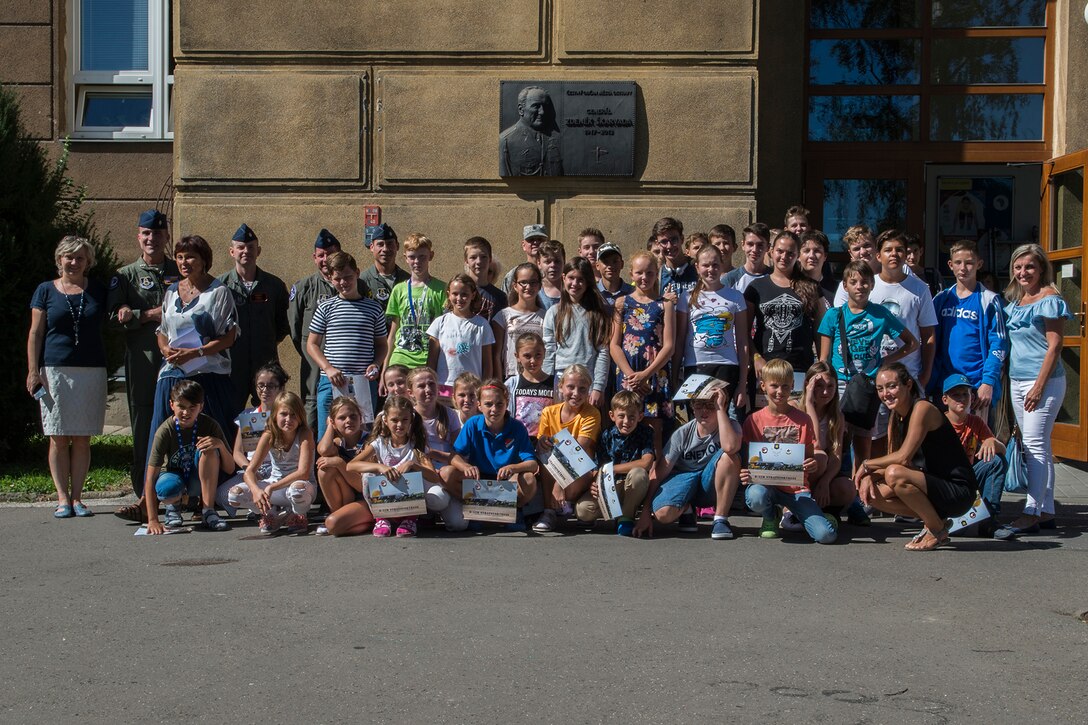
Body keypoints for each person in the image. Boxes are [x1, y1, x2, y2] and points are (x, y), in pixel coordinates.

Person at [855, 363, 980, 551]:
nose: (885, 393)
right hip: (932, 486)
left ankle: (937, 530)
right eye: (880, 389)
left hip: (958, 491)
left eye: (891, 386)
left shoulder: (923, 408)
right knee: (873, 495)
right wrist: (868, 477)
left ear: (908, 385)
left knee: (894, 474)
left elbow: (903, 458)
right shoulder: (896, 417)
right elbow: (894, 458)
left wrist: (866, 465)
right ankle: (934, 520)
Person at [835, 230, 938, 455]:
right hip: (872, 379)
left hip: (908, 374)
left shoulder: (920, 288)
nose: (894, 254)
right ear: (878, 256)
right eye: (888, 250)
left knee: (907, 439)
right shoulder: (868, 285)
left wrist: (925, 375)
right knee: (875, 439)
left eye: (899, 249)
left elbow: (928, 335)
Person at [27, 235, 109, 519]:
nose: (74, 262)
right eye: (69, 257)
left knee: (83, 437)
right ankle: (62, 498)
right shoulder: (45, 290)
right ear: (59, 259)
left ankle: (78, 498)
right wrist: (32, 371)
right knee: (58, 437)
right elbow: (36, 333)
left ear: (88, 262)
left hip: (91, 370)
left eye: (80, 258)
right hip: (54, 370)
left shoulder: (98, 289)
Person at [148, 234, 240, 483]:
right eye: (179, 257)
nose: (184, 262)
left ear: (203, 260)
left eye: (190, 256)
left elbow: (229, 337)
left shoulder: (219, 292)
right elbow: (162, 331)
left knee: (206, 437)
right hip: (173, 373)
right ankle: (152, 497)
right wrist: (165, 348)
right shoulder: (171, 292)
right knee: (162, 431)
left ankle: (207, 496)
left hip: (206, 374)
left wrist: (196, 353)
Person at [996, 244, 1071, 540]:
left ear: (1041, 269)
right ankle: (1047, 509)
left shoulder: (1050, 299)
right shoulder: (1015, 302)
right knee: (1036, 445)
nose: (1023, 272)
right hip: (1017, 380)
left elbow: (1055, 345)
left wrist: (1039, 386)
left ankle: (1031, 513)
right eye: (1018, 267)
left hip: (1044, 382)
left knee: (1035, 446)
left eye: (1029, 267)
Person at [108, 209, 179, 511]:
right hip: (143, 361)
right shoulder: (124, 276)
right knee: (143, 426)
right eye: (146, 233)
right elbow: (113, 319)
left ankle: (178, 490)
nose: (152, 239)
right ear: (138, 236)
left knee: (180, 422)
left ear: (166, 236)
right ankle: (144, 496)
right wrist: (148, 315)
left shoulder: (180, 269)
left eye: (158, 233)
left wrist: (136, 315)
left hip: (177, 360)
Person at [817, 261, 919, 467]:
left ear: (872, 285)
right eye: (853, 282)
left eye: (865, 282)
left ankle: (863, 490)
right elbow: (823, 358)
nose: (859, 287)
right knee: (837, 441)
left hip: (869, 386)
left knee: (867, 443)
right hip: (841, 385)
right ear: (845, 286)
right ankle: (840, 487)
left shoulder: (880, 314)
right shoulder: (834, 315)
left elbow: (912, 343)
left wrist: (885, 362)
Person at [741, 359, 830, 543]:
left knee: (825, 536)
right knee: (756, 496)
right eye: (774, 386)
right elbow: (749, 461)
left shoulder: (803, 419)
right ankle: (770, 515)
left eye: (785, 386)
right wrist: (745, 473)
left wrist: (811, 464)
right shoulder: (753, 420)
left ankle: (821, 519)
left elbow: (809, 457)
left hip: (796, 489)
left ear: (793, 386)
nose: (780, 392)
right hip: (766, 486)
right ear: (763, 386)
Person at [638, 387, 742, 540]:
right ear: (692, 407)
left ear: (723, 406)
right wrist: (645, 512)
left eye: (711, 405)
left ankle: (720, 519)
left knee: (729, 457)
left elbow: (731, 447)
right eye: (699, 405)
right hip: (685, 480)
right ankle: (687, 509)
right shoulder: (682, 433)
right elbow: (658, 473)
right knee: (663, 514)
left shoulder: (731, 426)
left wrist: (720, 408)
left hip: (710, 484)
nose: (704, 411)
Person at [306, 251, 388, 441]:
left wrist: (376, 364)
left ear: (357, 273)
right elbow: (312, 344)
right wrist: (328, 368)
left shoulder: (373, 308)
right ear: (330, 278)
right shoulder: (326, 307)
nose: (344, 282)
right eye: (338, 279)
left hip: (363, 383)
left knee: (364, 436)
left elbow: (382, 345)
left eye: (348, 277)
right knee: (327, 437)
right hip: (331, 381)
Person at [346, 395, 446, 538]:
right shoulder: (379, 443)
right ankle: (381, 519)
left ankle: (410, 519)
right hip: (385, 497)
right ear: (385, 420)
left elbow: (433, 476)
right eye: (394, 420)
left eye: (404, 420)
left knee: (415, 474)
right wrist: (379, 467)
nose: (400, 425)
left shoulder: (415, 445)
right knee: (368, 475)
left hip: (408, 500)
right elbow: (351, 466)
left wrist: (414, 465)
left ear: (411, 420)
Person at [143, 380, 235, 534]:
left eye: (192, 407)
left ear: (201, 406)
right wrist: (152, 520)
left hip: (198, 479)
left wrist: (220, 445)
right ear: (172, 405)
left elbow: (230, 468)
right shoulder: (165, 431)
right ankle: (173, 506)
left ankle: (208, 511)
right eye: (182, 407)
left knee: (209, 450)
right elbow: (150, 478)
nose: (186, 413)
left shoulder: (210, 425)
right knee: (167, 487)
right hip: (174, 478)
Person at [450, 379, 540, 532]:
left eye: (499, 404)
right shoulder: (472, 424)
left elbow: (532, 464)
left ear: (507, 403)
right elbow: (454, 456)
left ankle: (514, 509)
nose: (494, 409)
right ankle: (477, 508)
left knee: (529, 479)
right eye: (488, 404)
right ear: (479, 405)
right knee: (447, 474)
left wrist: (513, 467)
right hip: (478, 480)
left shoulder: (517, 427)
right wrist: (466, 466)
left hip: (505, 480)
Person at [930, 240, 1008, 416]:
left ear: (979, 264)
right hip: (945, 385)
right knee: (946, 442)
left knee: (977, 442)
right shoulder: (941, 299)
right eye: (958, 262)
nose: (963, 267)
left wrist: (988, 382)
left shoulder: (990, 300)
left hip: (976, 387)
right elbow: (931, 341)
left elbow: (999, 344)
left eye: (969, 262)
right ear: (950, 265)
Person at [288, 229, 356, 430]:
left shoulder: (353, 284)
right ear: (314, 258)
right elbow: (294, 327)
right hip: (314, 364)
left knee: (347, 408)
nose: (325, 259)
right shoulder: (303, 287)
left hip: (346, 364)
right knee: (311, 406)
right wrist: (310, 353)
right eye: (321, 255)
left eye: (330, 253)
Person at [217, 223, 289, 411]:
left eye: (251, 247)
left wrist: (265, 340)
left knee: (271, 415)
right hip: (232, 365)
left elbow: (283, 323)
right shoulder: (220, 286)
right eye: (240, 247)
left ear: (259, 251)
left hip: (265, 363)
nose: (246, 251)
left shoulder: (273, 285)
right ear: (231, 251)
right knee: (230, 416)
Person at [223, 392, 316, 535]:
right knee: (235, 496)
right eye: (283, 414)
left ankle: (298, 514)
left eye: (293, 415)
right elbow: (250, 471)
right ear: (275, 415)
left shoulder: (305, 433)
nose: (288, 419)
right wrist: (255, 490)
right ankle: (272, 511)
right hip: (276, 485)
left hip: (301, 486)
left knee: (297, 490)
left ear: (300, 416)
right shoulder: (269, 435)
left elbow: (302, 473)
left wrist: (271, 487)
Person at [609, 251, 674, 452]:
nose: (644, 277)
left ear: (657, 274)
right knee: (625, 429)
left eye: (650, 273)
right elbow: (614, 345)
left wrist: (646, 375)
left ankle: (653, 476)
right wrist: (631, 376)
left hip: (654, 375)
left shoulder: (665, 304)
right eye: (639, 273)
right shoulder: (622, 303)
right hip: (629, 374)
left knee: (654, 433)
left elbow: (669, 346)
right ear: (631, 274)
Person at [674, 244, 749, 409]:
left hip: (727, 365)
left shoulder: (735, 297)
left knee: (720, 415)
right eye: (705, 265)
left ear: (722, 265)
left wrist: (742, 383)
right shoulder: (686, 298)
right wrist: (674, 379)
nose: (711, 269)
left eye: (715, 264)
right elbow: (679, 340)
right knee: (700, 416)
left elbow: (743, 341)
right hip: (695, 365)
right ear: (697, 267)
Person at [790, 360, 864, 529]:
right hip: (796, 472)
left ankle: (822, 509)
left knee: (847, 488)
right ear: (808, 385)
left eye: (830, 386)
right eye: (819, 385)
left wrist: (825, 481)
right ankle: (792, 507)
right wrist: (808, 403)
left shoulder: (837, 416)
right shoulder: (794, 407)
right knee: (820, 456)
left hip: (818, 473)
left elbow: (836, 457)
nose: (825, 392)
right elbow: (815, 443)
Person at [745, 229, 825, 379]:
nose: (784, 257)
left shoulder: (812, 287)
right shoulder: (755, 288)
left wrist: (822, 363)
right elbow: (744, 332)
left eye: (790, 253)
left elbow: (821, 330)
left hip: (801, 368)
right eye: (780, 251)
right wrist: (755, 357)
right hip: (765, 368)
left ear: (798, 255)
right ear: (771, 251)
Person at [533, 365, 601, 533]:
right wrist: (541, 442)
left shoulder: (592, 414)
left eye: (582, 389)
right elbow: (543, 444)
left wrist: (559, 484)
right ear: (561, 387)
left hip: (581, 472)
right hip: (555, 469)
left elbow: (579, 450)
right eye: (570, 387)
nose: (576, 393)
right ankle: (549, 511)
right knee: (546, 452)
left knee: (572, 455)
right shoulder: (549, 412)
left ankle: (563, 504)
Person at [577, 391, 653, 536]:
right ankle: (616, 513)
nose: (626, 421)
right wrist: (594, 483)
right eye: (621, 416)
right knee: (583, 510)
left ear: (640, 417)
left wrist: (613, 469)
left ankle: (626, 517)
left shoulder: (645, 433)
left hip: (633, 486)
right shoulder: (606, 435)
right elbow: (598, 467)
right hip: (611, 486)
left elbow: (647, 462)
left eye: (632, 417)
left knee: (639, 474)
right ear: (612, 415)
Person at [941, 374, 1007, 536]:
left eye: (965, 394)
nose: (962, 399)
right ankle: (945, 517)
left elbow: (1003, 451)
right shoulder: (939, 422)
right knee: (957, 532)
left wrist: (992, 441)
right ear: (945, 400)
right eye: (956, 395)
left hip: (968, 476)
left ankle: (990, 520)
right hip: (945, 481)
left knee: (996, 460)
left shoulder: (975, 421)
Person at [543, 257, 612, 406]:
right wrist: (546, 383)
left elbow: (603, 353)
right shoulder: (554, 312)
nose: (575, 284)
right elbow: (549, 350)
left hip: (587, 380)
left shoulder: (598, 315)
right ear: (563, 278)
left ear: (588, 282)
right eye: (571, 278)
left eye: (580, 279)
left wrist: (598, 387)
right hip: (560, 378)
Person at [383, 233, 446, 375]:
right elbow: (392, 333)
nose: (417, 261)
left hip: (427, 359)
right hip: (400, 359)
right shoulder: (399, 290)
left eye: (422, 256)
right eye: (412, 257)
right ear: (405, 258)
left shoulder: (441, 289)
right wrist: (384, 370)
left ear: (431, 256)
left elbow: (443, 330)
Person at [427, 273, 495, 394]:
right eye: (455, 294)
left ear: (473, 295)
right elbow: (431, 361)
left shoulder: (482, 325)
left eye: (464, 294)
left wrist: (483, 389)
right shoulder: (439, 323)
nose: (459, 298)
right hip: (444, 388)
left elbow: (488, 365)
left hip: (472, 389)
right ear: (448, 294)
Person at [314, 396, 366, 530]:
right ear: (333, 422)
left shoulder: (369, 442)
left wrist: (339, 462)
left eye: (353, 416)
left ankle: (363, 522)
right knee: (325, 469)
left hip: (367, 498)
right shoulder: (338, 443)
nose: (349, 421)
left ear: (361, 417)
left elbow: (362, 487)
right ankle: (338, 516)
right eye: (342, 418)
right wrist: (330, 426)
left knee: (333, 524)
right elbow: (324, 450)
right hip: (349, 497)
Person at [407, 367, 462, 486]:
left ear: (438, 387)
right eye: (421, 386)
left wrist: (433, 454)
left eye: (431, 384)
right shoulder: (408, 417)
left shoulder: (450, 414)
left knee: (447, 477)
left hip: (447, 468)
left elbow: (457, 451)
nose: (428, 389)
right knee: (439, 500)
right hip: (422, 469)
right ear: (410, 392)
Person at [492, 262, 545, 380]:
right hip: (511, 377)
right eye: (523, 282)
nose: (528, 286)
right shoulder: (503, 316)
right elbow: (496, 354)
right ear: (515, 286)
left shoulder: (546, 316)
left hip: (538, 378)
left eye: (533, 282)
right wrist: (499, 382)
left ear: (540, 285)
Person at [499, 85, 563, 177]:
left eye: (545, 106)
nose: (542, 112)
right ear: (521, 109)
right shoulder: (505, 142)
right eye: (536, 106)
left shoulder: (554, 139)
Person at [504, 332, 554, 440]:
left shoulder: (555, 383)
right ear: (517, 356)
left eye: (538, 355)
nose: (533, 361)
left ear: (544, 353)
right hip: (520, 444)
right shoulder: (511, 384)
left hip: (547, 444)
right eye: (527, 356)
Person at [360, 223, 409, 311]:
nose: (385, 249)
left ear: (397, 246)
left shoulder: (408, 280)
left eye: (390, 244)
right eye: (380, 244)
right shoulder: (362, 281)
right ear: (372, 247)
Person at [652, 217, 698, 300]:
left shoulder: (698, 268)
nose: (669, 246)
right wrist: (662, 302)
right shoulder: (656, 275)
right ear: (657, 244)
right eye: (664, 242)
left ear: (682, 239)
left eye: (674, 239)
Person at [463, 236, 507, 320]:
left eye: (483, 257)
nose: (479, 261)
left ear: (490, 259)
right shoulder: (458, 292)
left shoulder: (500, 297)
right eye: (473, 257)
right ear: (466, 261)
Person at [501, 223, 548, 294]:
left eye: (540, 239)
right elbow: (505, 301)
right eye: (531, 239)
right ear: (523, 245)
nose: (536, 242)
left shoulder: (553, 272)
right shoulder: (513, 275)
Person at [723, 223, 770, 292]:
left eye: (760, 245)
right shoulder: (731, 279)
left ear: (768, 247)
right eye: (750, 244)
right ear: (743, 245)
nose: (754, 250)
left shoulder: (776, 278)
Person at [798, 230, 837, 302]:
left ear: (825, 256)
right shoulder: (791, 286)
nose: (811, 256)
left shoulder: (837, 289)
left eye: (817, 251)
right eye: (806, 251)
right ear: (798, 256)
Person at [596, 242, 635, 307]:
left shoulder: (633, 293)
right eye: (605, 262)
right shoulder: (592, 293)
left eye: (615, 261)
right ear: (597, 265)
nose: (610, 266)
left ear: (622, 264)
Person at [905, 233, 943, 297]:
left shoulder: (932, 275)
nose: (912, 257)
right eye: (908, 252)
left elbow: (941, 299)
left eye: (915, 251)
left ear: (921, 251)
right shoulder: (898, 277)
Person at [536, 239, 566, 310]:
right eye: (547, 262)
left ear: (564, 262)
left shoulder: (572, 288)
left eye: (557, 261)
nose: (553, 265)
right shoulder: (535, 290)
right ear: (539, 263)